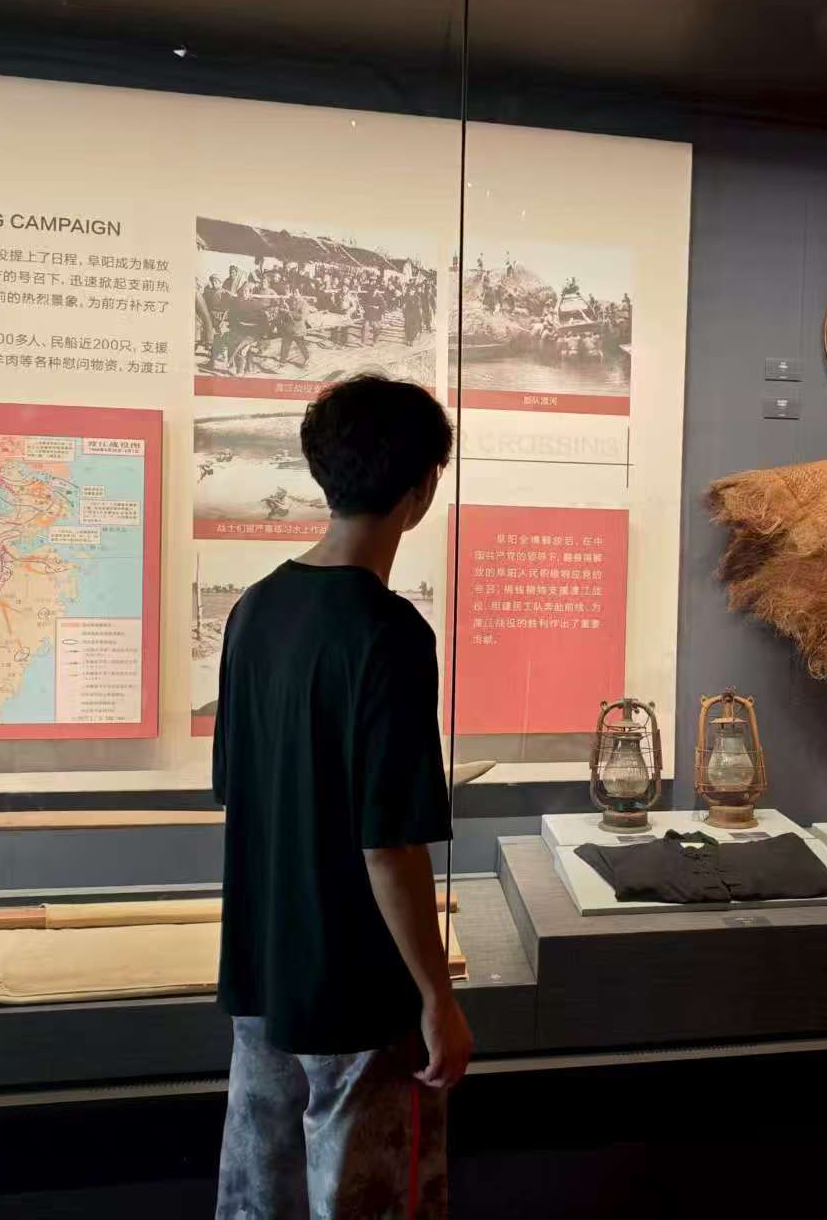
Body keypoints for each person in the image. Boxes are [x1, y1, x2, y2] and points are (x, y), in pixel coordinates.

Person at [214, 375, 467, 1219]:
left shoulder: (254, 610)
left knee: (261, 1202)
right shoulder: (389, 634)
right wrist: (436, 995)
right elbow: (387, 844)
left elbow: (239, 790)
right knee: (368, 1203)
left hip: (264, 976)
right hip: (359, 991)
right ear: (422, 487)